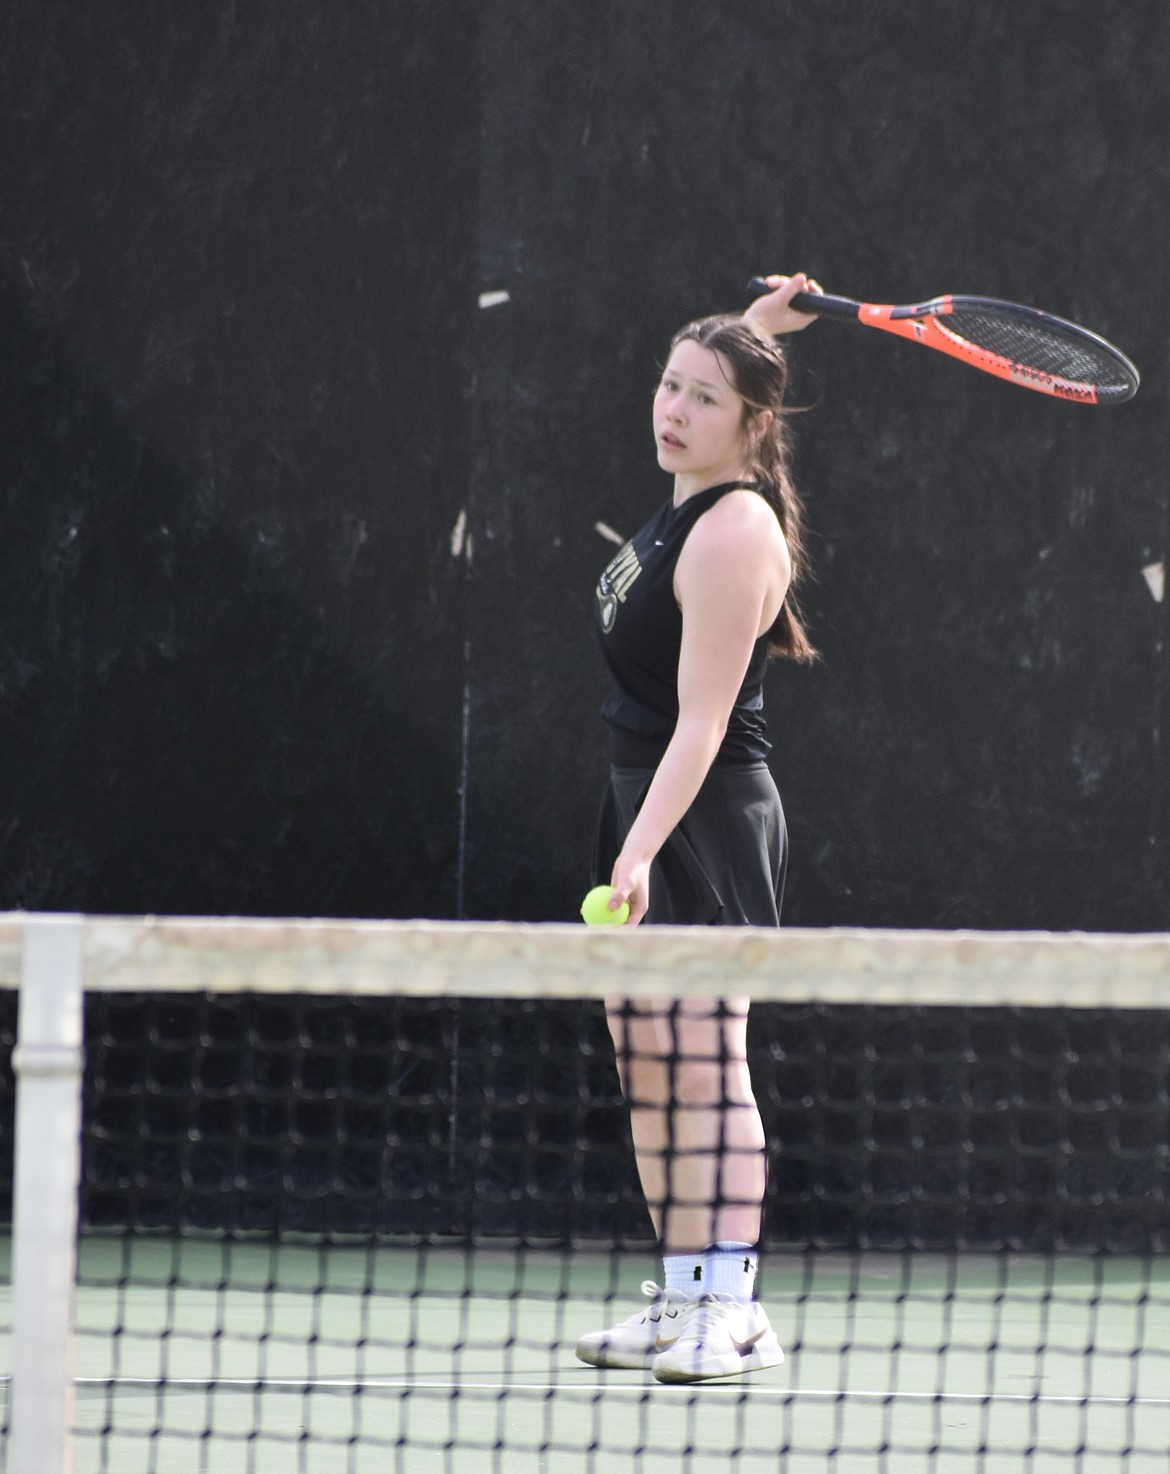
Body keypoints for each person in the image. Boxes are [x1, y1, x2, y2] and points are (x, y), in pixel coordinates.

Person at [575, 272, 822, 1384]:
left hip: (705, 814)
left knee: (708, 1059)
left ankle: (734, 1307)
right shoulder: (686, 499)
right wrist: (757, 330)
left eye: (703, 398)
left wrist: (639, 848)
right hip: (643, 799)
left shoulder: (733, 534)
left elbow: (705, 720)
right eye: (669, 385)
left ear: (750, 425)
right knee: (646, 1056)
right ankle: (683, 1296)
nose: (672, 410)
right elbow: (729, 383)